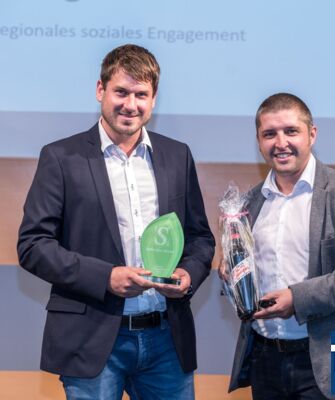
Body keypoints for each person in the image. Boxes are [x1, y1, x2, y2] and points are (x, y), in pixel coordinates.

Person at [17, 43, 215, 400]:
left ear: (154, 99)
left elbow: (200, 238)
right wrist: (105, 277)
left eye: (141, 95)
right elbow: (33, 246)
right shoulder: (60, 157)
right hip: (91, 339)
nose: (130, 104)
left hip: (166, 341)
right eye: (121, 92)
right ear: (100, 90)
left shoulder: (177, 155)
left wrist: (187, 275)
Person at [223, 93, 335, 400]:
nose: (281, 143)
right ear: (258, 141)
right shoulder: (248, 203)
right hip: (265, 357)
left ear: (312, 134)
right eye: (269, 134)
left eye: (291, 131)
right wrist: (232, 274)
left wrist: (297, 299)